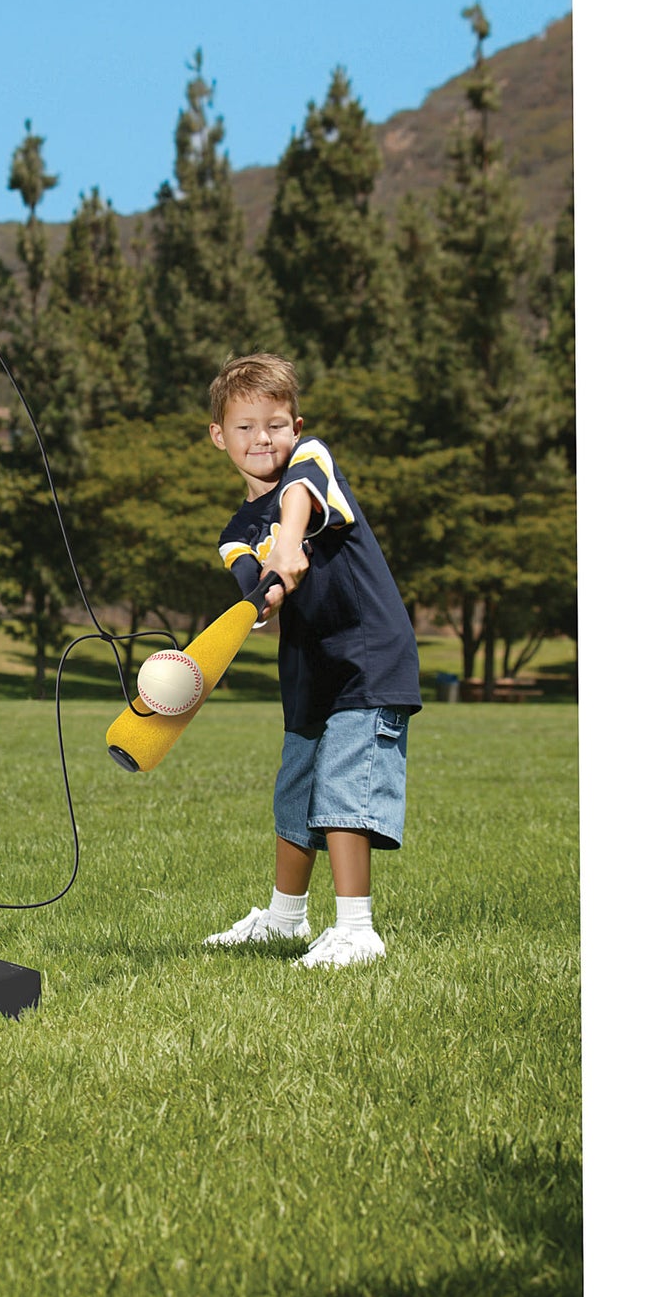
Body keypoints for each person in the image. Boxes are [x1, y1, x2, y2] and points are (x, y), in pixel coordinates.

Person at [202, 353, 421, 967]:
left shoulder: (312, 461)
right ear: (219, 435)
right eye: (243, 427)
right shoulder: (235, 530)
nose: (260, 438)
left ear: (296, 427)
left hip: (367, 655)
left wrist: (291, 543)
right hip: (307, 665)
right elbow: (257, 592)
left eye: (275, 424)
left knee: (344, 780)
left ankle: (357, 930)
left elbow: (298, 496)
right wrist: (264, 591)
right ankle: (282, 918)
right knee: (295, 788)